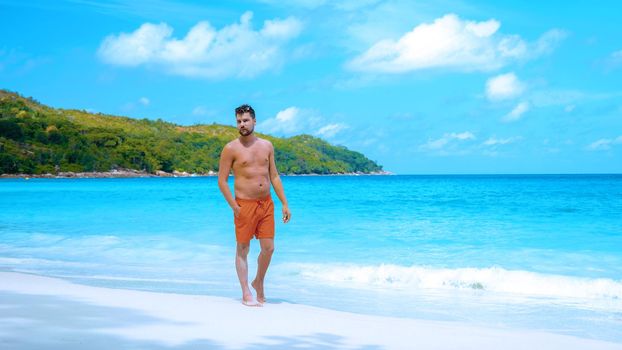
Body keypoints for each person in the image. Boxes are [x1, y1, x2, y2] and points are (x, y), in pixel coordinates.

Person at [218, 104, 291, 307]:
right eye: (239, 121)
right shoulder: (231, 148)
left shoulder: (267, 146)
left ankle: (258, 281)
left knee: (269, 248)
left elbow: (274, 175)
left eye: (246, 120)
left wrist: (284, 203)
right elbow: (222, 181)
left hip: (266, 204)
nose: (242, 124)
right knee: (243, 248)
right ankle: (245, 292)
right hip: (244, 205)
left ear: (254, 121)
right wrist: (234, 207)